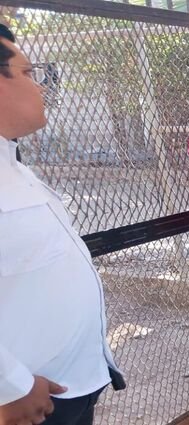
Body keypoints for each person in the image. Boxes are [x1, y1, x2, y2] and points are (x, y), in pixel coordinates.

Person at [0, 23, 122, 425]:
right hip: (24, 403)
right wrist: (10, 387)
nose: (40, 87)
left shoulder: (13, 166)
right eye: (27, 73)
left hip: (65, 385)